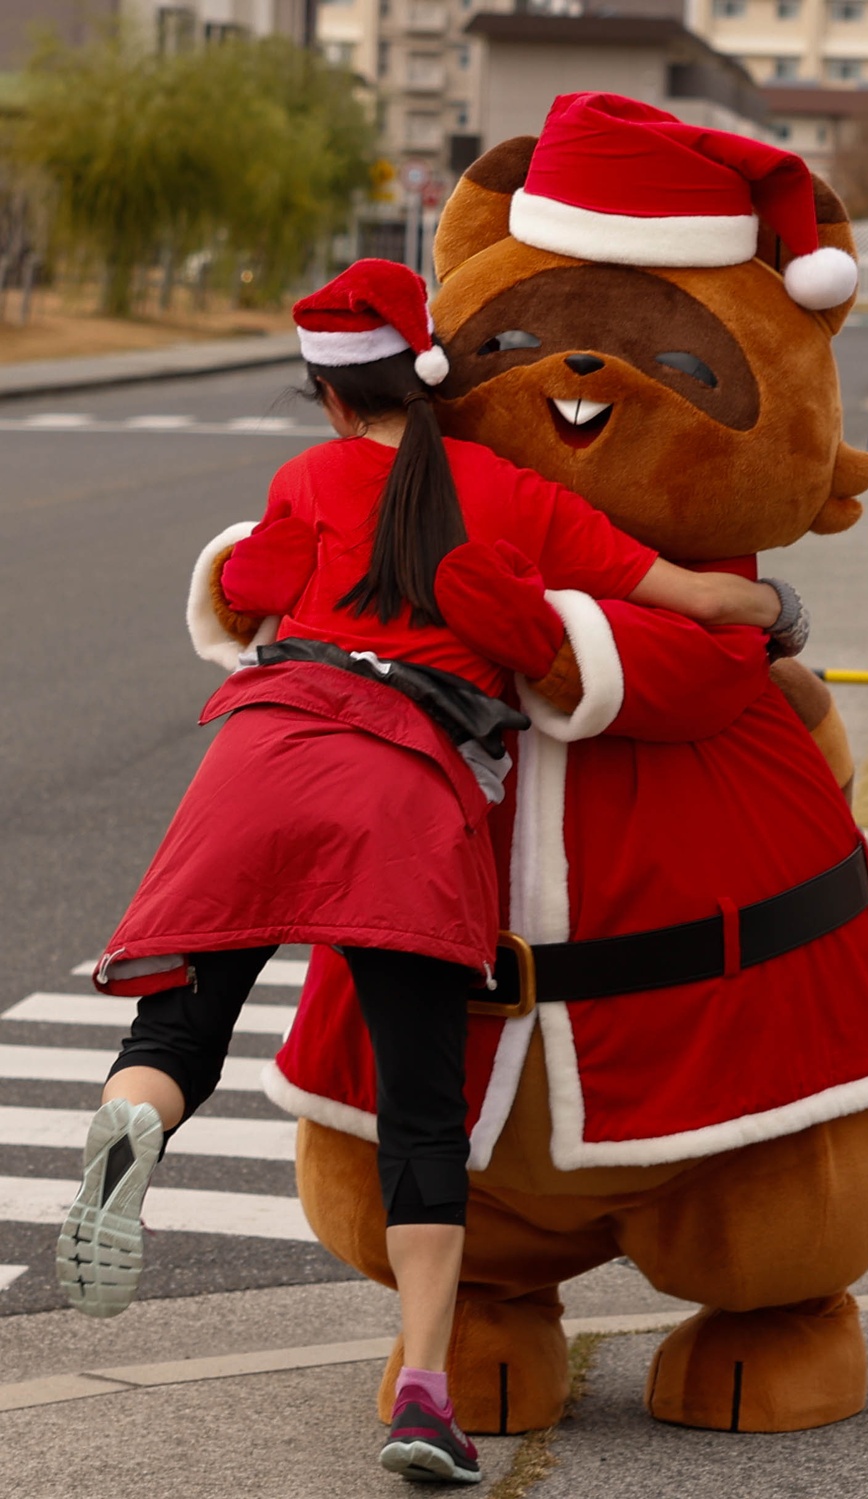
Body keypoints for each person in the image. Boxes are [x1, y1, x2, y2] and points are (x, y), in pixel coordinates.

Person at [56, 259, 805, 1485]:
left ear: (325, 394)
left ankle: (130, 1123)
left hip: (254, 758)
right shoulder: (510, 493)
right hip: (399, 787)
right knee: (421, 1115)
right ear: (434, 374)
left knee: (182, 1023)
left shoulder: (302, 476)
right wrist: (769, 605)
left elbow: (261, 587)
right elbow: (683, 595)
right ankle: (422, 1390)